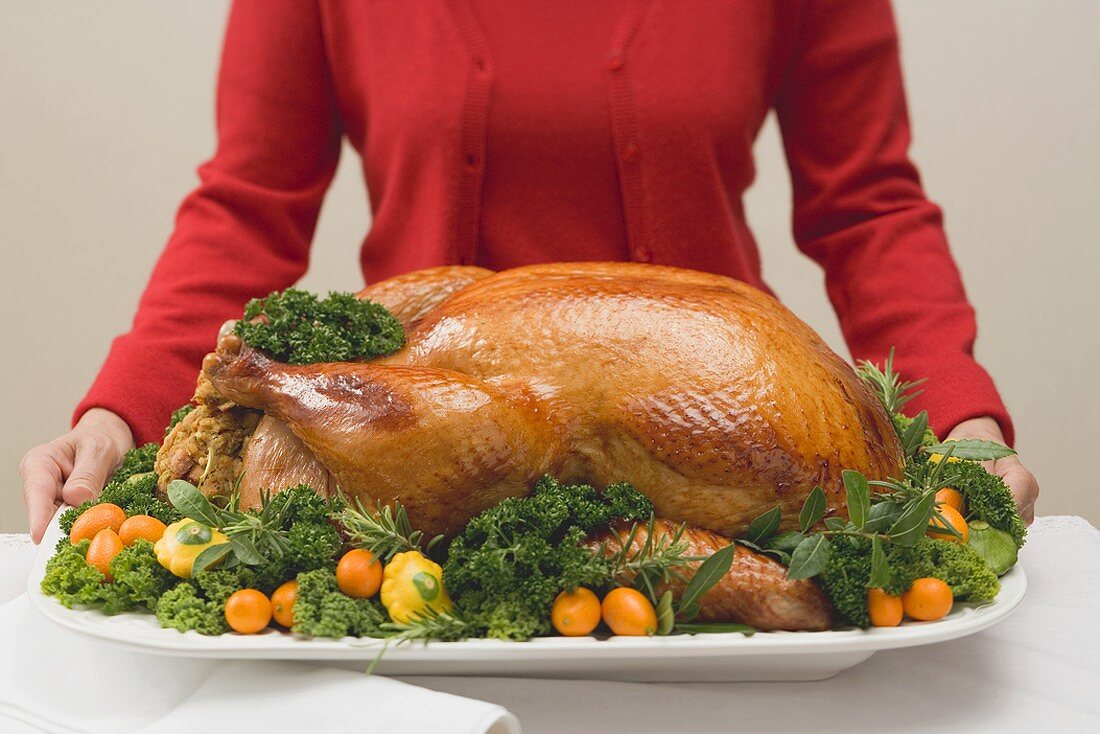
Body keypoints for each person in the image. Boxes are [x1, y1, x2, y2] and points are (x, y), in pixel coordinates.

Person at [19, 0, 1038, 542]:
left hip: (718, 475)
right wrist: (120, 410)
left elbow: (865, 204)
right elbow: (247, 205)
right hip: (415, 488)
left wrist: (961, 422)